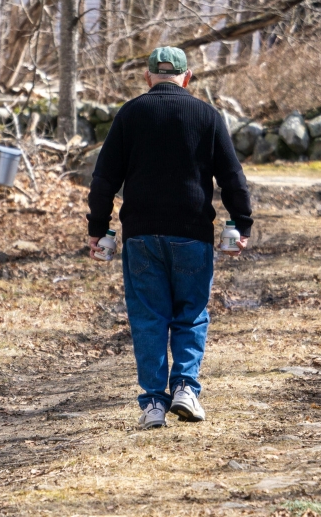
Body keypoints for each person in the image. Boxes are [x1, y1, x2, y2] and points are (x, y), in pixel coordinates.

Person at [86, 46, 253, 429]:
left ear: (148, 78)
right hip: (192, 234)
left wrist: (99, 229)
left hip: (141, 237)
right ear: (187, 77)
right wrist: (240, 224)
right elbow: (233, 179)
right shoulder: (207, 115)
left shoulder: (130, 114)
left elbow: (103, 181)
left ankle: (153, 406)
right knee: (190, 316)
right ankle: (185, 390)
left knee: (148, 319)